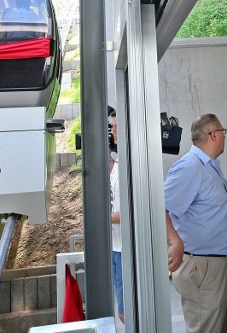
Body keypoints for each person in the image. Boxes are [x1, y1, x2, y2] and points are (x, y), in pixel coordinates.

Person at [164, 113, 227, 333]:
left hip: (217, 264)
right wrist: (174, 242)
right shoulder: (189, 167)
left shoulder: (208, 166)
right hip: (204, 267)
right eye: (223, 132)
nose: (224, 137)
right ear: (215, 135)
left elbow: (207, 210)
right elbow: (160, 208)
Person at [108, 111, 124, 323]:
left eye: (115, 126)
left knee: (125, 311)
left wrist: (101, 218)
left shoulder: (128, 168)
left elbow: (130, 212)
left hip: (125, 249)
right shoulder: (117, 166)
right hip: (115, 245)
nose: (112, 132)